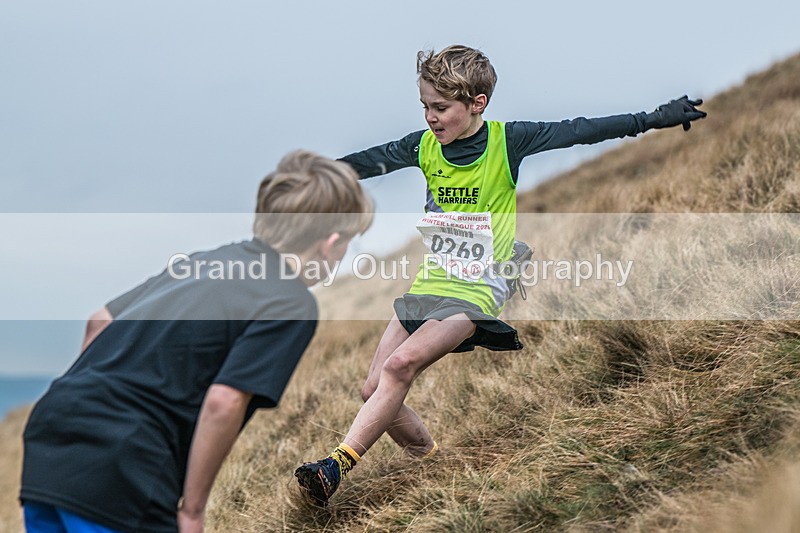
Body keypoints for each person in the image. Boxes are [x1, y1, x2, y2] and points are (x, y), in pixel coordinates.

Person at [295, 44, 706, 505]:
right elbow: (366, 162)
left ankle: (335, 466)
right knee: (373, 388)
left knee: (398, 366)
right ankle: (430, 461)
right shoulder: (423, 146)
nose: (430, 117)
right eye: (425, 106)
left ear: (477, 104)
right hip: (432, 282)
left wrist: (652, 117)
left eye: (441, 107)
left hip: (478, 288)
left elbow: (580, 131)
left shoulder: (508, 141)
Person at [19, 150, 373, 533]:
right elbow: (223, 402)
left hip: (52, 433)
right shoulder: (289, 301)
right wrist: (192, 510)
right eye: (348, 244)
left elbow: (99, 322)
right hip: (125, 461)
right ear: (330, 242)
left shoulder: (204, 260)